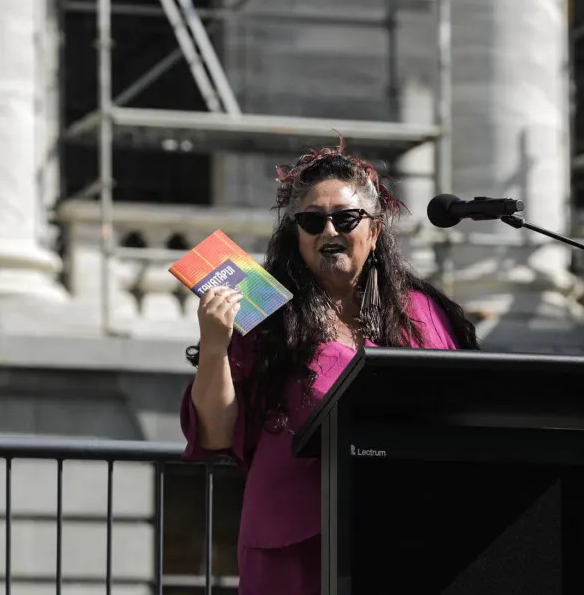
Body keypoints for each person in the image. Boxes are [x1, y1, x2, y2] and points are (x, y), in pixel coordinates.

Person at [179, 138, 479, 594]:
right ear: (297, 234)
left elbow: (461, 410)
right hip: (293, 540)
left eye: (346, 218)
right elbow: (218, 434)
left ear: (375, 231)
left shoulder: (421, 310)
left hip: (402, 528)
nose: (329, 231)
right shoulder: (264, 311)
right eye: (313, 221)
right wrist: (216, 346)